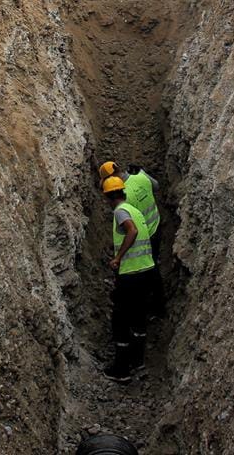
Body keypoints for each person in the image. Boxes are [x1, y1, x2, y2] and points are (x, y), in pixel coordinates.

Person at [101, 174, 155, 381]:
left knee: (121, 320)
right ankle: (138, 363)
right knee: (139, 318)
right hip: (146, 270)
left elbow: (131, 231)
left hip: (131, 274)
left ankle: (122, 370)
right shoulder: (135, 209)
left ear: (108, 196)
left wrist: (118, 258)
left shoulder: (121, 212)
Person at [100, 160, 164, 319]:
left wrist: (118, 257)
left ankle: (153, 309)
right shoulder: (141, 176)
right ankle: (156, 305)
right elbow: (156, 186)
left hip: (145, 237)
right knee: (153, 268)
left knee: (149, 272)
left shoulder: (123, 200)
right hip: (156, 226)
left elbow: (131, 228)